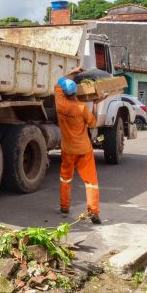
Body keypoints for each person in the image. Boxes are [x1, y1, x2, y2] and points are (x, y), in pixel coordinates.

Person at [55, 67, 101, 224]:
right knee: (91, 182)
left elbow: (59, 82)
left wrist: (72, 71)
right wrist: (96, 104)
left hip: (67, 149)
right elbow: (93, 123)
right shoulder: (82, 108)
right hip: (83, 150)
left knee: (66, 178)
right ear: (76, 93)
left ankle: (64, 206)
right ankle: (93, 211)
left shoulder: (60, 103)